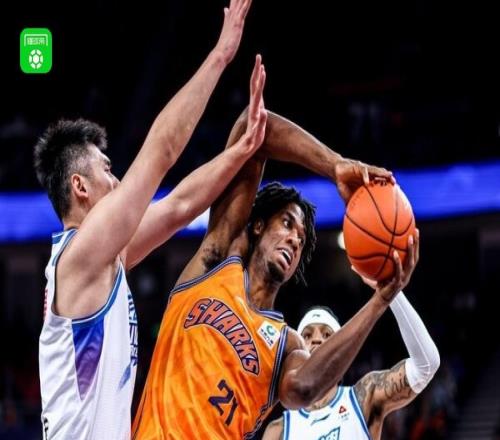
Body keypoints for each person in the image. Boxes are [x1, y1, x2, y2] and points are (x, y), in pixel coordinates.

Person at [34, 1, 259, 438]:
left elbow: (178, 206)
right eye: (107, 170)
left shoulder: (104, 259)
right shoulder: (81, 255)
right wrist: (220, 55)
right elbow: (162, 152)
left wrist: (243, 150)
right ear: (80, 187)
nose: (118, 181)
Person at [132, 102, 420, 439]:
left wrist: (379, 301)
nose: (294, 239)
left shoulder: (287, 344)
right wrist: (334, 165)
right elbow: (254, 126)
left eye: (301, 239)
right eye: (286, 224)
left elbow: (302, 389)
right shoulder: (215, 263)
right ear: (258, 226)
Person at [262, 273, 440, 440]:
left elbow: (426, 365)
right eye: (307, 335)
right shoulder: (278, 430)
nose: (316, 339)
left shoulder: (364, 397)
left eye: (327, 335)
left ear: (341, 350)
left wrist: (393, 294)